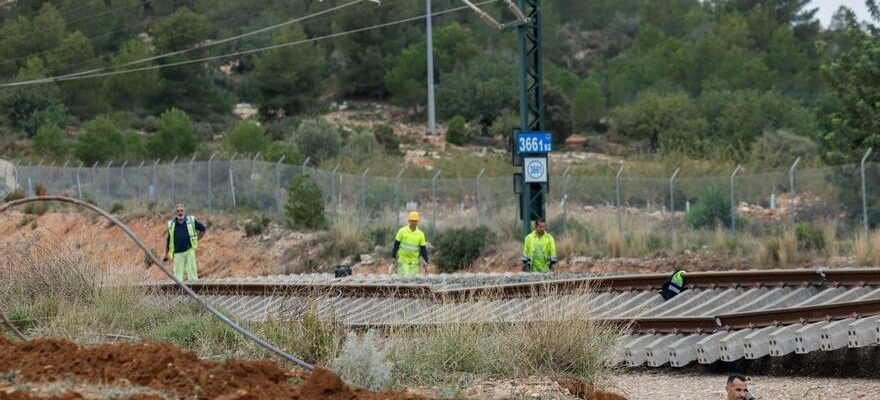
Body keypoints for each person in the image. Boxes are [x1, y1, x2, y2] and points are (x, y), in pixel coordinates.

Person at [162, 203, 206, 281]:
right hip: (177, 253)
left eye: (181, 210)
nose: (180, 212)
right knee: (177, 277)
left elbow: (203, 229)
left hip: (189, 250)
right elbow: (169, 239)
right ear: (175, 213)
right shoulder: (171, 224)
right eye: (178, 211)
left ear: (184, 211)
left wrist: (197, 239)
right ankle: (179, 291)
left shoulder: (191, 220)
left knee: (192, 275)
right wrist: (166, 253)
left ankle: (193, 290)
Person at [391, 211, 429, 276]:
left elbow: (423, 249)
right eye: (412, 220)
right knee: (405, 278)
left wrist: (426, 260)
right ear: (409, 221)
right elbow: (396, 245)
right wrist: (393, 256)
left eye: (415, 221)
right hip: (403, 260)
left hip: (414, 262)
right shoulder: (402, 231)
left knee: (413, 281)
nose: (414, 222)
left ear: (417, 222)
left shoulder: (420, 234)